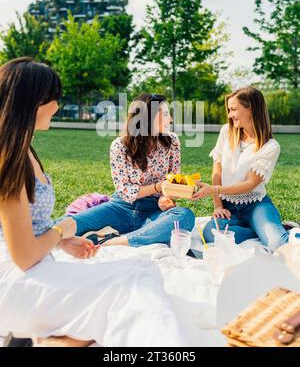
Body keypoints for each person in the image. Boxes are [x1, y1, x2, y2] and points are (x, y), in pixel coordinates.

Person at [0, 58, 190, 347]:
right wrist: (62, 231)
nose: (57, 106)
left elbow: (28, 224)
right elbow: (24, 255)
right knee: (135, 285)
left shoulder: (24, 149)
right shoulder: (11, 158)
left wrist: (61, 241)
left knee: (144, 270)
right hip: (18, 277)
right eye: (54, 98)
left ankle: (44, 340)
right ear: (34, 102)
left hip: (35, 262)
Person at [71, 93, 195, 247]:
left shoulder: (172, 141)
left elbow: (172, 180)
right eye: (164, 114)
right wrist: (157, 187)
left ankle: (115, 241)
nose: (170, 119)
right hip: (120, 207)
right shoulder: (120, 146)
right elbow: (124, 191)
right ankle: (146, 234)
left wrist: (167, 197)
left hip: (153, 210)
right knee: (69, 224)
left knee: (184, 216)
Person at [192, 86, 289, 251]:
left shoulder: (271, 146)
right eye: (229, 110)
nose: (229, 115)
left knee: (277, 244)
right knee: (211, 232)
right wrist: (218, 206)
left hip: (256, 205)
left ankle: (270, 228)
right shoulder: (226, 132)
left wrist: (213, 189)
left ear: (250, 109)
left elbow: (250, 184)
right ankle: (256, 231)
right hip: (228, 206)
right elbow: (217, 171)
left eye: (233, 109)